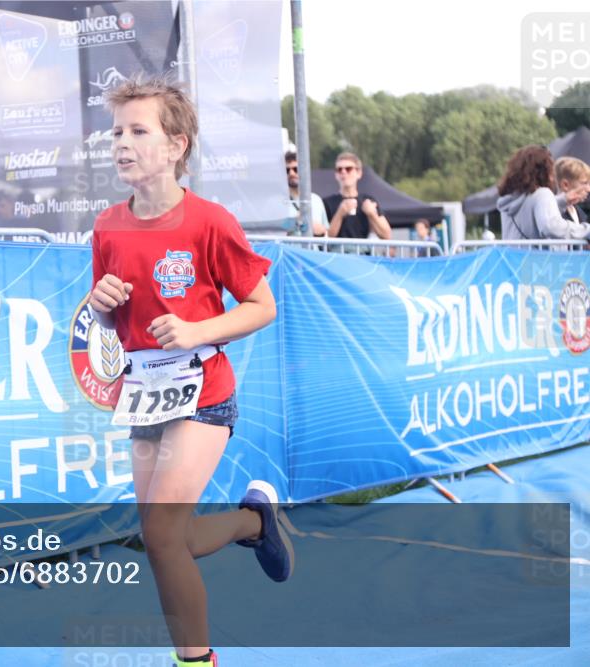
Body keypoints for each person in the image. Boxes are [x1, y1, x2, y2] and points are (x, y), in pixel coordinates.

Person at [89, 76, 291, 667]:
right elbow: (109, 324)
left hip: (203, 391)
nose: (122, 143)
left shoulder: (209, 222)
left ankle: (198, 662)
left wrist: (197, 331)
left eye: (138, 131)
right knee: (164, 541)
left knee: (160, 536)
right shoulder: (107, 226)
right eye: (116, 133)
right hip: (144, 392)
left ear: (176, 146)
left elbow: (262, 306)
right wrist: (100, 308)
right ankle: (253, 523)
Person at [496, 145, 590, 243]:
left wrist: (563, 200)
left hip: (511, 252)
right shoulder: (542, 194)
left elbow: (532, 212)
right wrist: (587, 230)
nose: (553, 177)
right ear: (544, 171)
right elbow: (552, 227)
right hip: (537, 253)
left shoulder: (511, 198)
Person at [322, 152, 392, 239]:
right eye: (339, 169)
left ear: (359, 173)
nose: (343, 172)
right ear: (336, 175)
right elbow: (325, 237)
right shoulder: (327, 203)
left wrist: (372, 214)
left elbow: (387, 235)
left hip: (362, 247)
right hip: (336, 248)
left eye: (348, 169)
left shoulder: (368, 201)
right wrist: (340, 214)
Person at [284, 150, 329, 236]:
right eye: (287, 170)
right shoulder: (276, 201)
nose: (291, 173)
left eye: (296, 169)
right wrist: (295, 222)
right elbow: (272, 233)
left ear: (305, 170)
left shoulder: (316, 199)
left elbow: (326, 234)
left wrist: (321, 232)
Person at [554, 157, 590, 224]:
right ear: (565, 185)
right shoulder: (553, 214)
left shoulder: (581, 211)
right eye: (584, 183)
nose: (588, 189)